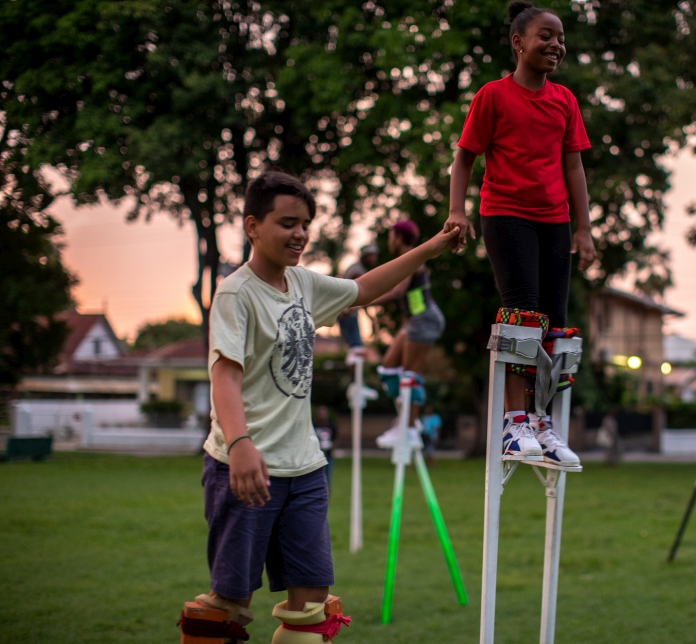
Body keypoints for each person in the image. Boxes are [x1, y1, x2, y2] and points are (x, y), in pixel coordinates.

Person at [182, 171, 458, 642]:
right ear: (252, 226)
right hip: (247, 464)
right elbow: (223, 373)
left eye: (306, 223)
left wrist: (429, 249)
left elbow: (364, 290)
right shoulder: (235, 292)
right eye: (287, 222)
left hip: (305, 468)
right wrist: (242, 443)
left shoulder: (304, 284)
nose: (300, 234)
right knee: (228, 608)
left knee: (312, 608)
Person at [444, 1, 595, 468]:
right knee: (523, 315)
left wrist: (584, 227)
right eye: (545, 35)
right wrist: (457, 211)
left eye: (561, 37)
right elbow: (465, 157)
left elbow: (573, 165)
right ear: (518, 42)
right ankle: (514, 423)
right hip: (506, 215)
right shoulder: (493, 96)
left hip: (554, 221)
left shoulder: (564, 100)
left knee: (557, 323)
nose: (556, 44)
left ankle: (543, 424)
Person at [371, 220, 447, 448]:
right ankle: (404, 420)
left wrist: (361, 302)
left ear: (398, 237)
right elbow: (411, 298)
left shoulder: (412, 258)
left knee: (409, 377)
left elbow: (398, 291)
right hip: (415, 319)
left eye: (391, 235)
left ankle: (411, 428)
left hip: (424, 319)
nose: (389, 240)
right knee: (388, 368)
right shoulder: (408, 258)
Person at [337, 243, 379, 360]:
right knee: (356, 349)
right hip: (347, 313)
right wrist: (371, 319)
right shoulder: (358, 272)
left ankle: (355, 377)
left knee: (354, 349)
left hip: (346, 312)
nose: (373, 259)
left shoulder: (356, 268)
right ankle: (355, 377)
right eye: (371, 256)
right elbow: (361, 297)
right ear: (364, 256)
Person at [313, 406, 337, 487]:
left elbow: (335, 438)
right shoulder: (314, 426)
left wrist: (332, 447)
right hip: (315, 456)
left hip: (327, 455)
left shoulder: (331, 426)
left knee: (327, 479)